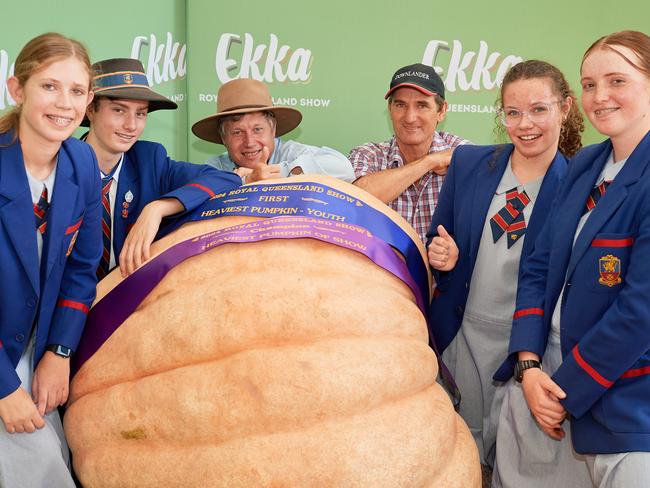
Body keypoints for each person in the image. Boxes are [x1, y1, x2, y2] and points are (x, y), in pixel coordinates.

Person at [494, 30, 650, 488]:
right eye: (588, 84)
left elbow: (640, 312)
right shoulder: (584, 164)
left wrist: (564, 391)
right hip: (546, 373)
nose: (599, 97)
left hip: (625, 399)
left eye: (616, 81)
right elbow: (540, 264)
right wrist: (528, 362)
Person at [426, 60, 584, 476]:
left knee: (512, 467)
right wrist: (442, 253)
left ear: (565, 108)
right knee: (455, 460)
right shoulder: (469, 163)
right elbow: (436, 237)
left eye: (538, 109)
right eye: (512, 113)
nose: (524, 124)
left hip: (526, 353)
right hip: (459, 339)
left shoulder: (579, 185)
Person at [0, 32, 101, 487]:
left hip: (35, 346)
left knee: (63, 454)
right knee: (42, 467)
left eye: (76, 91)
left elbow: (81, 271)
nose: (64, 103)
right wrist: (3, 388)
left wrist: (58, 353)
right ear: (16, 90)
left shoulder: (81, 161)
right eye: (49, 86)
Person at [83, 58, 242, 277]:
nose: (131, 125)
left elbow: (227, 179)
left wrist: (157, 208)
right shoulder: (60, 165)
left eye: (140, 113)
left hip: (123, 302)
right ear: (91, 110)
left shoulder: (150, 160)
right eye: (119, 111)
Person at [348, 63, 469, 243]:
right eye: (400, 105)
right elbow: (354, 198)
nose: (410, 117)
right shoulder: (367, 155)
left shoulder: (465, 154)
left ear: (441, 111)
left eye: (421, 105)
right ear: (390, 109)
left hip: (446, 271)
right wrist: (429, 162)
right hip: (381, 271)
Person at [193, 78, 354, 183]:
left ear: (273, 130)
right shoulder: (216, 166)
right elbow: (200, 193)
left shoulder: (291, 152)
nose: (249, 142)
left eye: (257, 129)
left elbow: (344, 170)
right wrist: (247, 181)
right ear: (223, 138)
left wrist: (283, 172)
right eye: (237, 132)